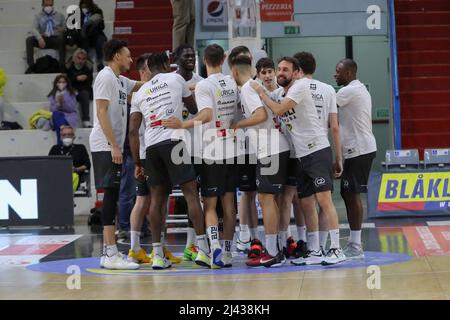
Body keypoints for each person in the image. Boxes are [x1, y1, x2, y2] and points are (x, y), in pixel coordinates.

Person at [251, 57, 346, 266]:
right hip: (301, 155)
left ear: (296, 73)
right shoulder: (280, 92)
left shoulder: (300, 87)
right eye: (279, 69)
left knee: (324, 201)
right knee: (306, 204)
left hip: (317, 150)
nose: (280, 72)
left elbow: (277, 109)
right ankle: (314, 250)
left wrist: (258, 91)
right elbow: (269, 96)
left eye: (286, 69)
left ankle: (336, 248)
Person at [162, 44, 242, 268]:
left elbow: (206, 114)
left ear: (203, 59)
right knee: (229, 205)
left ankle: (213, 247)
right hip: (232, 149)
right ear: (224, 58)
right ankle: (227, 252)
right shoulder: (232, 83)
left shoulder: (205, 84)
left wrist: (182, 124)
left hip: (210, 150)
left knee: (209, 204)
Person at [130, 52, 210, 270]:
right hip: (174, 142)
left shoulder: (140, 92)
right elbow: (194, 109)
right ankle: (202, 250)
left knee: (156, 200)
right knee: (192, 194)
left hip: (152, 149)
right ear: (166, 64)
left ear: (148, 67)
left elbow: (133, 131)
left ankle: (157, 254)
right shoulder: (176, 79)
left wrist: (138, 163)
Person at [231, 55, 290, 267]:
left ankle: (273, 251)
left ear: (235, 71)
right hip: (275, 147)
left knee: (266, 200)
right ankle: (276, 247)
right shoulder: (257, 86)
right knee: (271, 200)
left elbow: (260, 116)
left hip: (270, 149)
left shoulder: (248, 87)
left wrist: (237, 124)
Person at [89, 39, 144, 270]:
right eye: (128, 55)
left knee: (113, 193)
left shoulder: (120, 80)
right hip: (105, 144)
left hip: (113, 145)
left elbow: (143, 85)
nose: (131, 60)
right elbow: (101, 112)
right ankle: (111, 253)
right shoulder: (105, 77)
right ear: (116, 56)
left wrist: (183, 84)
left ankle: (108, 252)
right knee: (110, 196)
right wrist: (113, 145)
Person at [293, 51, 344, 256]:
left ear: (298, 70)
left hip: (307, 150)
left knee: (312, 202)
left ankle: (331, 248)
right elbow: (335, 126)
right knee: (320, 201)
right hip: (319, 148)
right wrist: (338, 156)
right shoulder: (328, 89)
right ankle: (318, 248)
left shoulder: (294, 89)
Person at [335, 58, 377, 259]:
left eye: (338, 71)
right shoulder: (358, 89)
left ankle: (355, 245)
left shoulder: (348, 91)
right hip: (358, 148)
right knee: (348, 194)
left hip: (359, 149)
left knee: (352, 194)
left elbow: (325, 107)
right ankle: (354, 242)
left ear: (349, 73)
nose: (335, 75)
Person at [227, 46, 262, 259]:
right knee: (244, 192)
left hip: (259, 143)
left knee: (255, 194)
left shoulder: (254, 83)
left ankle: (254, 236)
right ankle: (243, 235)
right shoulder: (230, 85)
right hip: (239, 145)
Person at [173, 44, 205, 262]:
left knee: (197, 196)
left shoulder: (202, 83)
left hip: (199, 146)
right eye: (186, 56)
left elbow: (204, 112)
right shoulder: (170, 82)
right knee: (186, 197)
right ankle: (188, 245)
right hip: (175, 145)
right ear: (176, 58)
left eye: (193, 55)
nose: (191, 58)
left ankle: (191, 245)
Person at [48, 125, 91, 192]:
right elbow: (48, 164)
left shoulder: (80, 148)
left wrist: (76, 169)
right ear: (60, 137)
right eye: (64, 135)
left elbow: (87, 164)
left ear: (74, 137)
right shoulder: (55, 148)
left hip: (74, 176)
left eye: (69, 134)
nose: (66, 136)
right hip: (57, 176)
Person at [26, 0, 66, 70]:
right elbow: (33, 29)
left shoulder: (60, 15)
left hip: (55, 39)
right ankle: (31, 66)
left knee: (61, 39)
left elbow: (66, 28)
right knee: (29, 40)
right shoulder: (38, 16)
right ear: (42, 5)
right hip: (43, 39)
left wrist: (62, 29)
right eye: (46, 5)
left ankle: (61, 66)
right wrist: (39, 38)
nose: (48, 7)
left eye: (50, 5)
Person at [65, 48, 94, 128]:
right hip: (71, 89)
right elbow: (67, 81)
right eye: (79, 58)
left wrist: (77, 82)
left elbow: (89, 82)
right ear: (74, 58)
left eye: (83, 59)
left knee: (84, 94)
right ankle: (68, 120)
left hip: (84, 90)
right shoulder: (68, 67)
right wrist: (77, 79)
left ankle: (86, 120)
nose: (81, 61)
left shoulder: (88, 67)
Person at [48, 74, 78, 145]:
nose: (61, 84)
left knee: (59, 122)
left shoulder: (72, 93)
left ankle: (62, 134)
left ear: (67, 83)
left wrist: (63, 102)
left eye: (63, 82)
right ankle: (63, 128)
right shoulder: (52, 94)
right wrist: (58, 103)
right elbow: (52, 109)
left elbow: (71, 108)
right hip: (57, 116)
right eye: (59, 82)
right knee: (56, 113)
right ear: (56, 83)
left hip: (69, 115)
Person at [78, 0, 107, 71]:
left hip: (96, 35)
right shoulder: (77, 13)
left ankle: (100, 63)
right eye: (82, 7)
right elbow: (77, 27)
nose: (84, 8)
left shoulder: (97, 12)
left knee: (100, 40)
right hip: (84, 36)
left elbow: (102, 26)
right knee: (84, 40)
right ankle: (86, 63)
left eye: (86, 7)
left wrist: (92, 23)